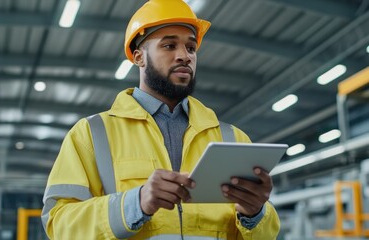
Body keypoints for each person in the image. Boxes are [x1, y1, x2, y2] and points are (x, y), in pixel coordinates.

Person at [41, 0, 280, 239]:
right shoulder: (92, 134)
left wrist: (255, 213)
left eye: (191, 48)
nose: (184, 56)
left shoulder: (233, 138)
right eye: (169, 46)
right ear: (139, 57)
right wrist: (135, 203)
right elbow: (59, 224)